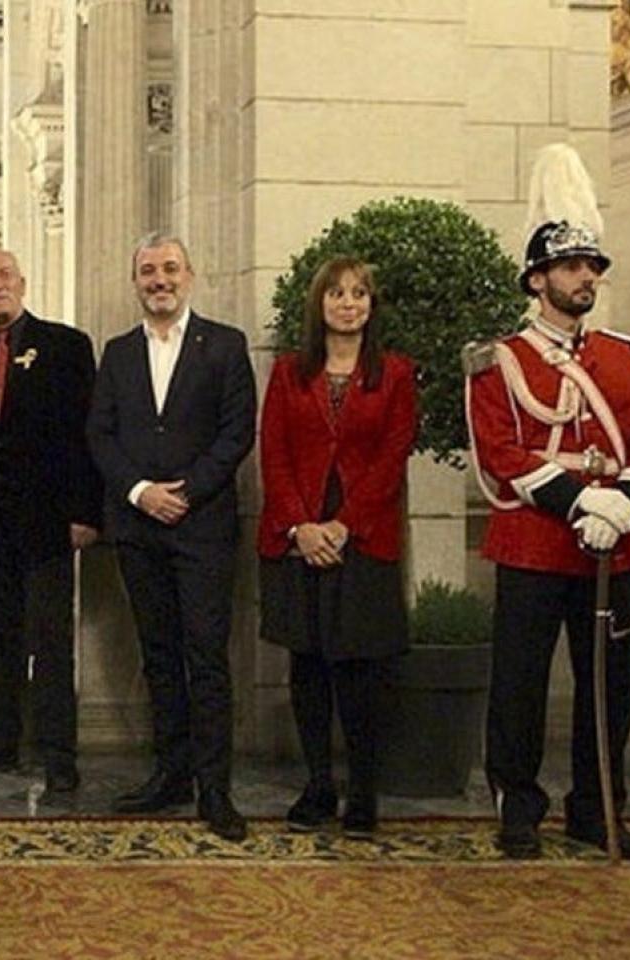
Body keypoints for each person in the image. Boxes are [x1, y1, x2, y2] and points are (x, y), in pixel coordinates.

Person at [466, 186, 630, 861]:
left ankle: (598, 809)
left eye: (593, 266)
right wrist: (587, 503)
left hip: (618, 551)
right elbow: (501, 452)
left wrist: (625, 506)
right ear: (538, 278)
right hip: (535, 545)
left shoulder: (625, 356)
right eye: (574, 265)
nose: (588, 276)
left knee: (609, 691)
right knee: (519, 686)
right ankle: (518, 808)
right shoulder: (502, 361)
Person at [86, 232, 255, 840]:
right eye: (149, 271)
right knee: (156, 657)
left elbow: (237, 433)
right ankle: (170, 775)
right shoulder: (118, 352)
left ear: (190, 275)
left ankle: (216, 789)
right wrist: (139, 492)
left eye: (170, 269)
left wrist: (186, 491)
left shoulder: (226, 346)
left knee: (206, 658)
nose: (160, 280)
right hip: (137, 529)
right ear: (136, 281)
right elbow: (100, 434)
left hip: (202, 527)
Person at [257, 257, 417, 838]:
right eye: (336, 294)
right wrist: (301, 526)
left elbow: (392, 456)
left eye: (358, 294)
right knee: (309, 664)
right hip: (297, 538)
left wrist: (344, 525)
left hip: (364, 539)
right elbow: (272, 454)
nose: (347, 303)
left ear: (371, 307)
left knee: (359, 670)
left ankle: (364, 791)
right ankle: (318, 784)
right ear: (318, 304)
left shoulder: (395, 373)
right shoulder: (288, 372)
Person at [0, 249, 101, 796]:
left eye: (4, 275)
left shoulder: (67, 347)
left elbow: (87, 436)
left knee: (51, 643)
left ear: (23, 282)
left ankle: (58, 752)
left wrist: (85, 512)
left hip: (49, 525)